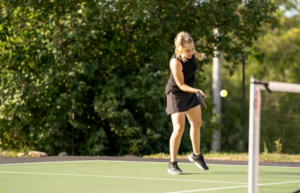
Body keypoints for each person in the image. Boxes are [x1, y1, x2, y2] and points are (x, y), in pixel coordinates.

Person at [164, 31, 209, 174]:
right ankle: (172, 163)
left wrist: (200, 55)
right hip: (177, 93)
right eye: (187, 50)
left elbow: (195, 52)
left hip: (191, 91)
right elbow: (181, 85)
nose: (190, 52)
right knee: (178, 128)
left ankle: (196, 156)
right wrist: (196, 90)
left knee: (197, 122)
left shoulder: (192, 51)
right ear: (179, 49)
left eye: (192, 49)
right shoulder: (175, 62)